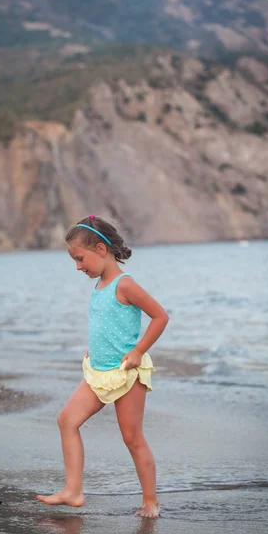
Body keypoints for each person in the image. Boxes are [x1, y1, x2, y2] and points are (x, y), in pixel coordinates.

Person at [37, 215, 169, 518]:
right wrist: (94, 349)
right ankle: (73, 490)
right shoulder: (99, 285)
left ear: (100, 249)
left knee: (132, 438)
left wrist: (138, 351)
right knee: (66, 420)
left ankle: (150, 501)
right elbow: (107, 325)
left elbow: (160, 317)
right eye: (74, 260)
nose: (77, 266)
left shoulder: (126, 285)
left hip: (126, 373)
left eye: (79, 258)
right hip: (98, 371)